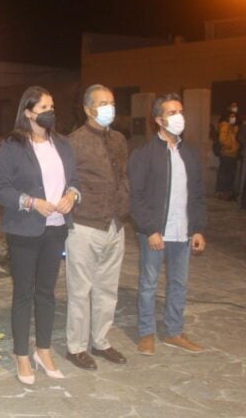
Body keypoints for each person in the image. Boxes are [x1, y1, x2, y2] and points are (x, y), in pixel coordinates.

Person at [0, 86, 80, 385]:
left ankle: (43, 350)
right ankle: (21, 354)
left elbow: (74, 179)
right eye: (43, 108)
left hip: (56, 228)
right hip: (24, 230)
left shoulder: (63, 144)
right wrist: (31, 202)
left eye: (51, 106)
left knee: (47, 293)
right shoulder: (12, 145)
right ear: (28, 112)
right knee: (23, 293)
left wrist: (72, 195)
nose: (49, 112)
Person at [128, 93, 207, 355]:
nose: (179, 117)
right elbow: (136, 196)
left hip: (182, 231)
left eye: (180, 111)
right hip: (155, 232)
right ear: (159, 120)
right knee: (149, 284)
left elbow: (197, 194)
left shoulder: (189, 154)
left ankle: (174, 331)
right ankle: (146, 333)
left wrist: (198, 228)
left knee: (178, 284)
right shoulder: (144, 154)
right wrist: (150, 229)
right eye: (172, 113)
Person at [64, 85, 129, 370]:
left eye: (111, 102)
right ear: (88, 108)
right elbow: (67, 182)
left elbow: (123, 176)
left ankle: (101, 341)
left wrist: (124, 205)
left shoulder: (119, 139)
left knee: (107, 289)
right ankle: (76, 347)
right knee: (80, 290)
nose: (108, 108)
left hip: (114, 224)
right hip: (85, 225)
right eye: (103, 103)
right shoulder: (74, 142)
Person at [215, 109, 240, 200]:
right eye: (232, 116)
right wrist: (230, 146)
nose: (233, 118)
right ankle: (222, 192)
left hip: (232, 154)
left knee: (229, 175)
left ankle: (227, 192)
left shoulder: (233, 126)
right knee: (225, 174)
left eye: (234, 116)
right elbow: (222, 139)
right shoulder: (225, 125)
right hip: (227, 153)